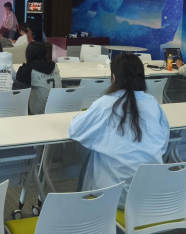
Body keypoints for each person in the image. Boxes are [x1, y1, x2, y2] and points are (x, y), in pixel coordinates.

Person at [68, 53, 170, 208]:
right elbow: (163, 144)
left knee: (95, 155)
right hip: (151, 192)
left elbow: (75, 130)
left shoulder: (105, 103)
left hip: (115, 194)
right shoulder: (152, 103)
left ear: (114, 77)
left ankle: (87, 210)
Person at [15, 42, 61, 114]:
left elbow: (18, 77)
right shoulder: (54, 65)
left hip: (39, 111)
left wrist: (25, 63)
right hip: (58, 108)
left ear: (28, 53)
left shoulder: (30, 69)